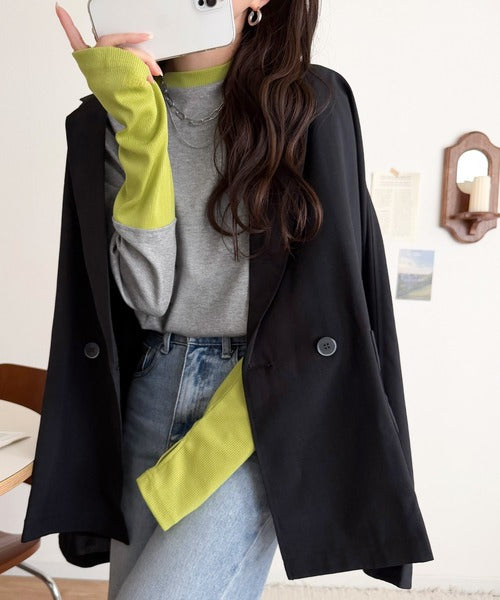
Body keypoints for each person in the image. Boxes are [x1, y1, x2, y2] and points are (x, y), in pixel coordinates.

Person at [21, 0, 434, 596]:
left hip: (260, 401)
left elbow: (327, 306)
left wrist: (232, 430)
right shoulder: (107, 117)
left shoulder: (309, 103)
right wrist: (136, 120)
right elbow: (147, 298)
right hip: (149, 386)